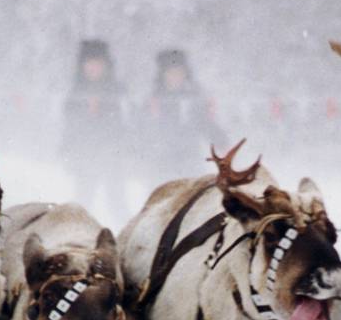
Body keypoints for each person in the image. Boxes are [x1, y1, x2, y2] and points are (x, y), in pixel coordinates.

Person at [61, 39, 129, 225]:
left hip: (112, 157)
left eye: (98, 64)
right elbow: (70, 127)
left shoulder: (118, 91)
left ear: (106, 66)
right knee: (83, 202)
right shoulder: (76, 92)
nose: (93, 68)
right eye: (89, 64)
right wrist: (67, 150)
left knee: (118, 202)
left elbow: (126, 124)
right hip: (85, 157)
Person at [140, 49, 226, 185]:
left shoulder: (195, 98)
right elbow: (142, 127)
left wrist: (220, 140)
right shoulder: (153, 99)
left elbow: (206, 123)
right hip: (160, 160)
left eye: (179, 72)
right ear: (163, 74)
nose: (175, 76)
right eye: (171, 72)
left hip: (190, 158)